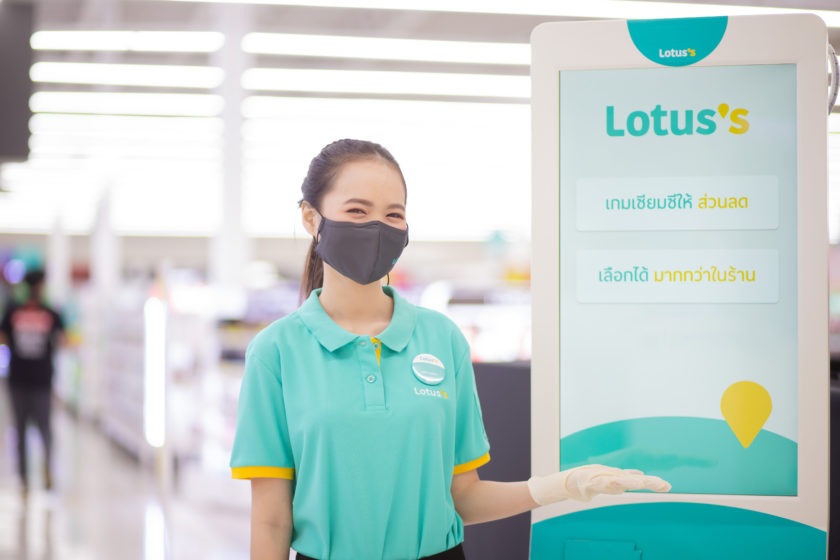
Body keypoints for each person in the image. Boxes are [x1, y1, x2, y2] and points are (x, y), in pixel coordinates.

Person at [229, 139, 671, 560]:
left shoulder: (442, 338)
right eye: (357, 210)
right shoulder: (277, 351)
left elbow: (464, 498)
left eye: (393, 214)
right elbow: (271, 520)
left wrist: (561, 486)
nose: (377, 228)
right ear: (311, 218)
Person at [0, 269, 66, 495]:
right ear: (41, 286)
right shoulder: (50, 313)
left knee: (19, 429)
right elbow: (63, 340)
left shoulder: (13, 311)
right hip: (42, 380)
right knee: (45, 428)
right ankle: (47, 468)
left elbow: (3, 338)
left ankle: (24, 477)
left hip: (18, 379)